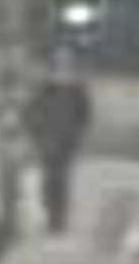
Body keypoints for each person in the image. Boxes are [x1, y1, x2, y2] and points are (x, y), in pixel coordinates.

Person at [22, 69, 95, 234]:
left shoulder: (77, 91)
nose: (61, 73)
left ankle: (58, 219)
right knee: (50, 180)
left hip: (65, 144)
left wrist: (76, 136)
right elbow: (30, 113)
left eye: (65, 68)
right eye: (58, 69)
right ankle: (52, 216)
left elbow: (85, 116)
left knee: (59, 180)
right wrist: (36, 134)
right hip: (48, 143)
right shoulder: (43, 91)